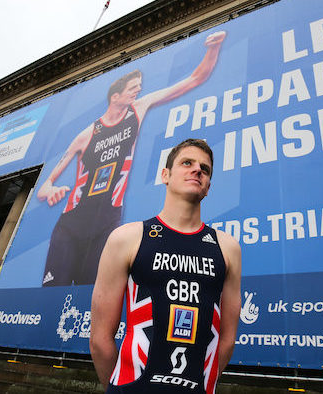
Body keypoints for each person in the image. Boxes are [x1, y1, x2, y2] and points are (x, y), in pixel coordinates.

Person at [37, 31, 227, 287]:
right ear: (114, 97)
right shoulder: (86, 135)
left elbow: (195, 79)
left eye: (139, 88)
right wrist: (50, 189)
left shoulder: (137, 110)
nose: (138, 92)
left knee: (89, 297)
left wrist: (213, 50)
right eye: (132, 89)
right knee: (51, 296)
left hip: (108, 223)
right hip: (71, 225)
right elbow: (45, 185)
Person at [90, 139, 241, 394]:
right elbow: (100, 339)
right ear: (165, 175)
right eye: (187, 163)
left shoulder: (227, 248)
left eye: (205, 169)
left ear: (208, 187)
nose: (197, 170)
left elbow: (226, 341)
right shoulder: (127, 238)